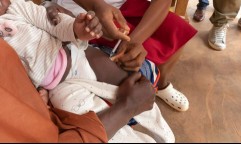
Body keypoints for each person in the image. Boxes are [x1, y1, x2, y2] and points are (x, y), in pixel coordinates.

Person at [0, 0, 174, 142]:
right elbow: (17, 83)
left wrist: (77, 30)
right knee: (93, 119)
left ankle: (163, 132)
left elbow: (53, 24)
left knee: (132, 83)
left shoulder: (16, 8)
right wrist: (37, 96)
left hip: (76, 55)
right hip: (58, 87)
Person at [45, 0, 198, 112]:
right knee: (102, 78)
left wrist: (135, 40)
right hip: (69, 11)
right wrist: (95, 5)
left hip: (124, 9)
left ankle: (162, 86)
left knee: (174, 30)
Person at [0, 38, 155, 142]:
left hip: (55, 82)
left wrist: (69, 28)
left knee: (141, 73)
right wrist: (126, 108)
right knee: (142, 76)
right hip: (68, 118)